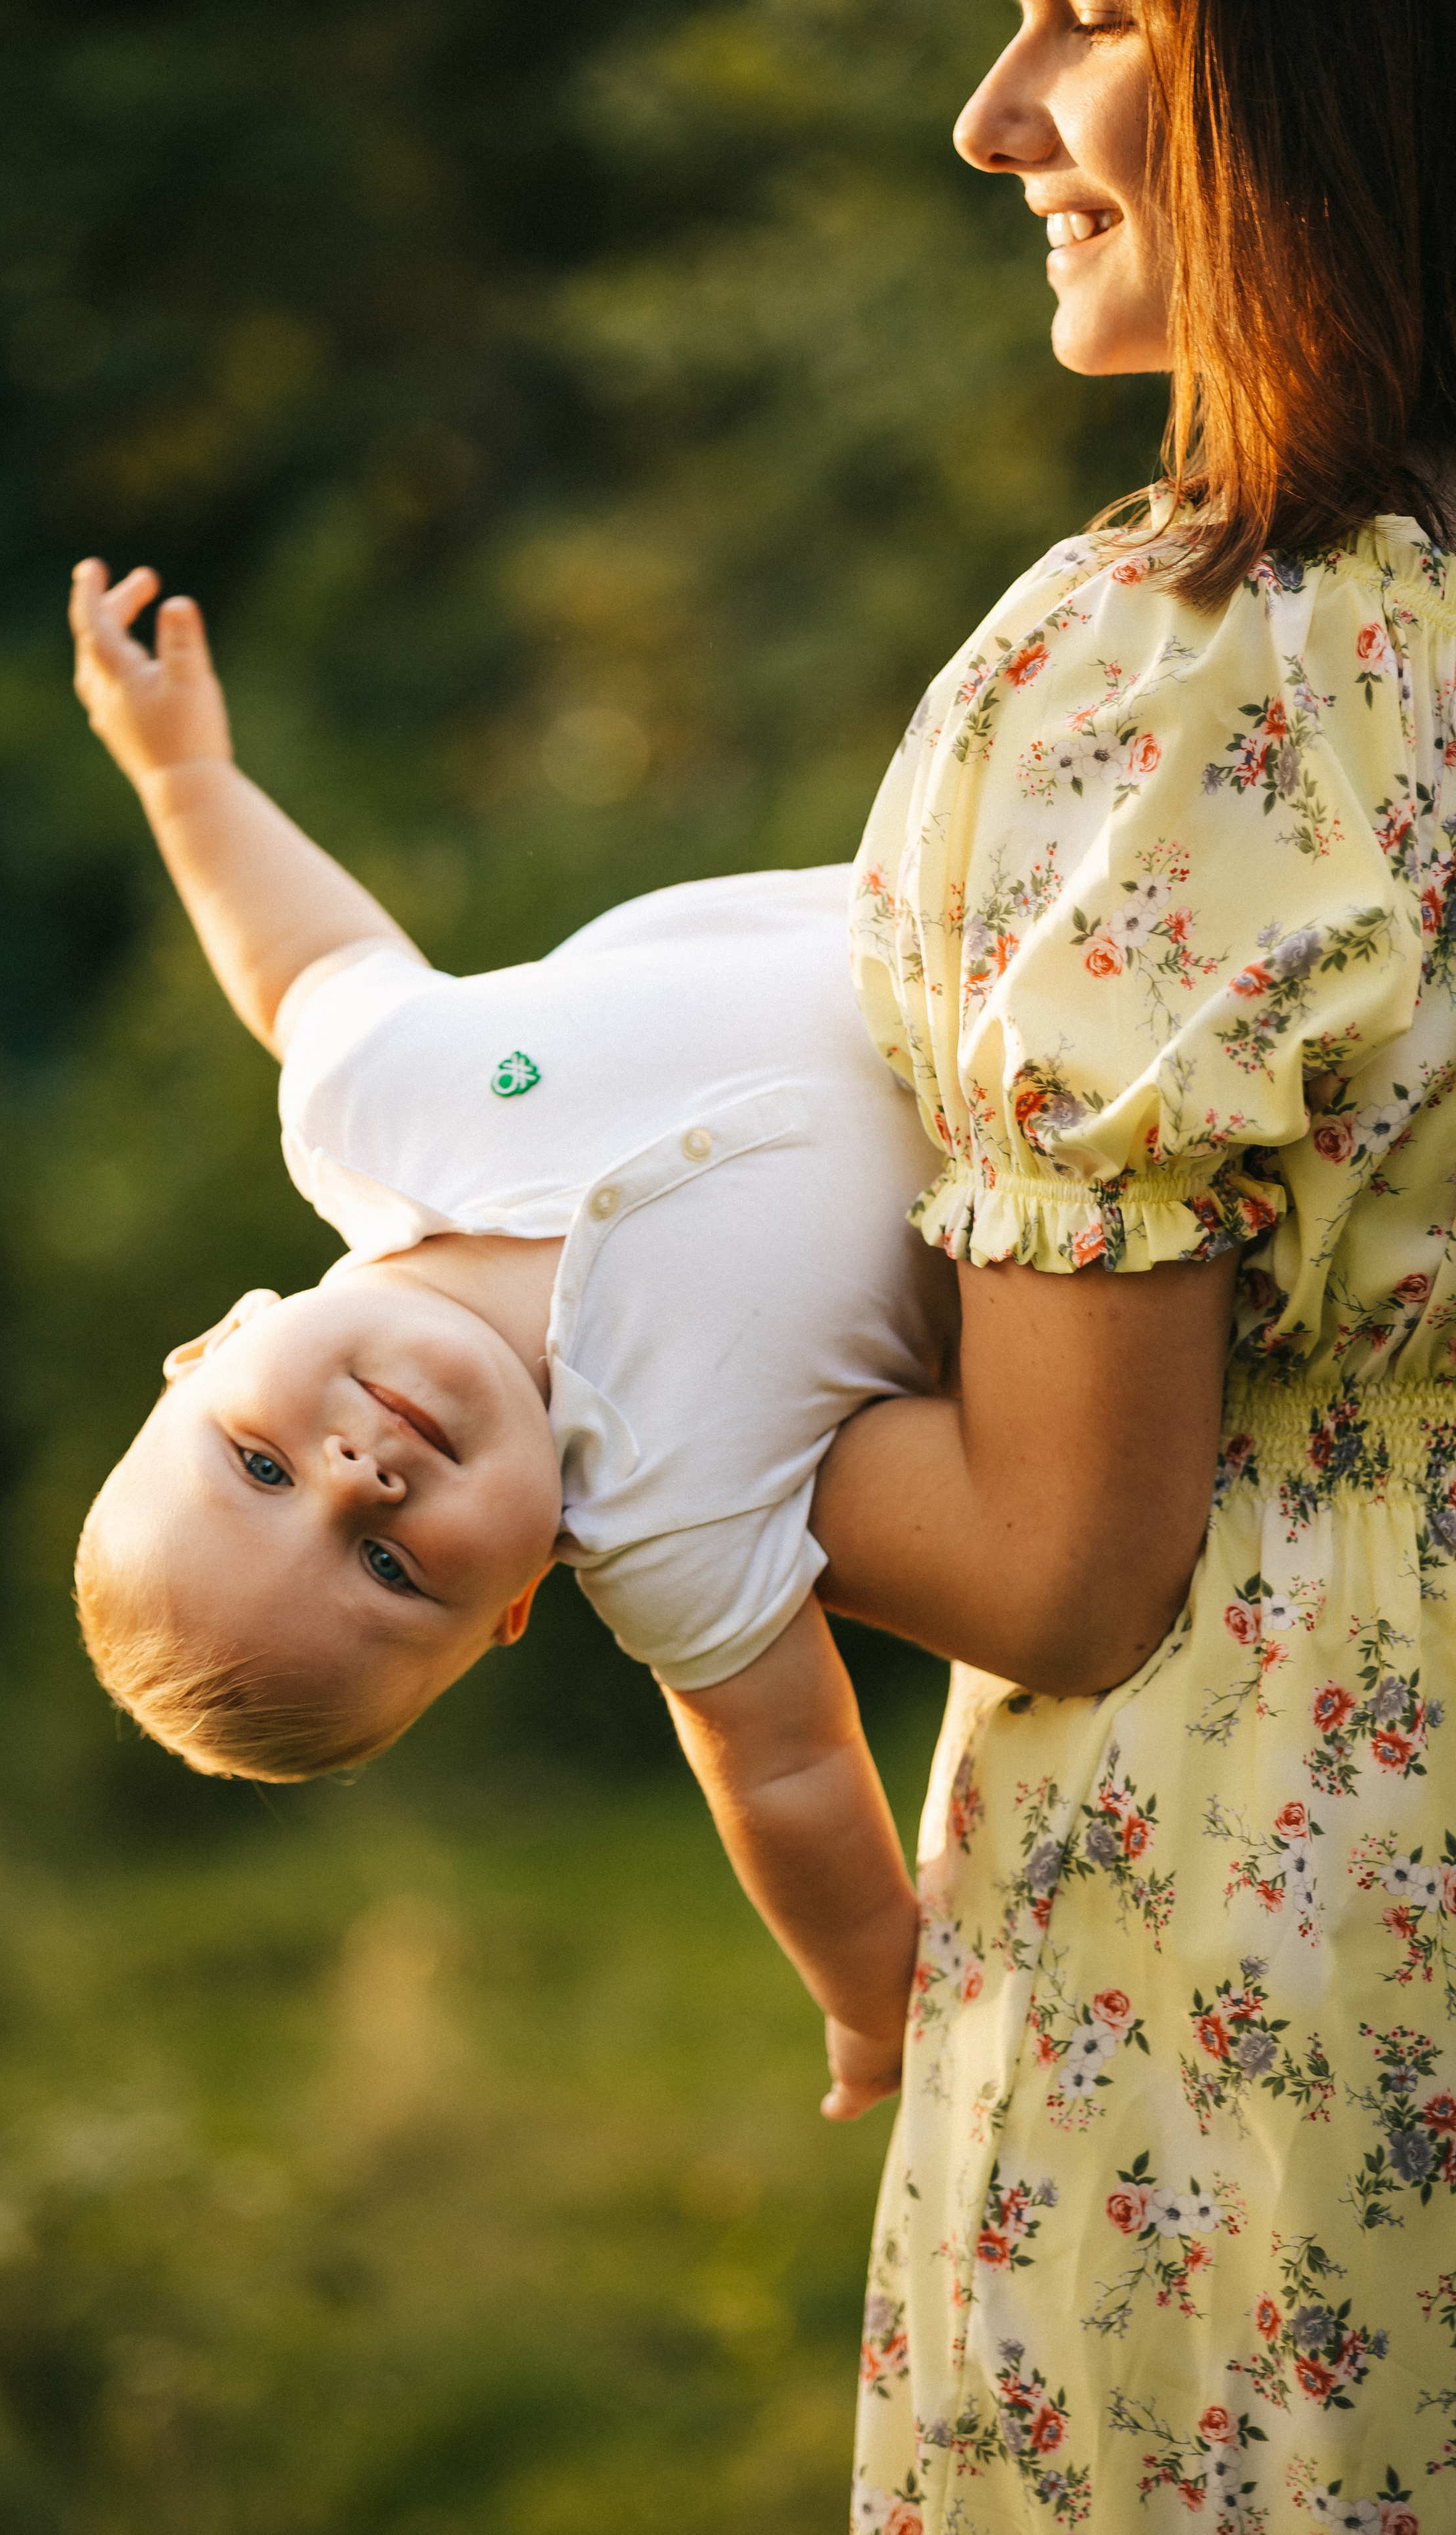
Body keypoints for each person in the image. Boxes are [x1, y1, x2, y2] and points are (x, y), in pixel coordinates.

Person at [818, 2, 1456, 2528]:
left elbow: (1067, 1567)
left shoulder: (1216, 670)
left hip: (1287, 1915)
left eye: (1091, 11)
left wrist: (595, 1407)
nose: (995, 115)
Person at [68, 553, 962, 2126]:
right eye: (390, 1572)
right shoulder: (673, 1520)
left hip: (998, 883)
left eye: (260, 1465)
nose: (360, 1482)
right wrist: (871, 1999)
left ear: (211, 1345)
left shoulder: (371, 1110)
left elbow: (303, 963)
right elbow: (783, 1772)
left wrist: (184, 775)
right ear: (503, 1616)